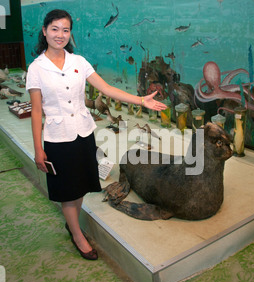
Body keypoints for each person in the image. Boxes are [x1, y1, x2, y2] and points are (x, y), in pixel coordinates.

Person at [26, 9, 167, 260]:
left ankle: (71, 223)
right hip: (57, 139)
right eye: (55, 29)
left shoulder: (78, 61)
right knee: (67, 190)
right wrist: (38, 148)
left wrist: (140, 100)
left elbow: (107, 88)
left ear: (70, 34)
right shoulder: (37, 68)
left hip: (83, 133)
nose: (60, 35)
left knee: (78, 185)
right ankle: (77, 233)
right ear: (45, 31)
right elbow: (37, 111)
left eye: (66, 30)